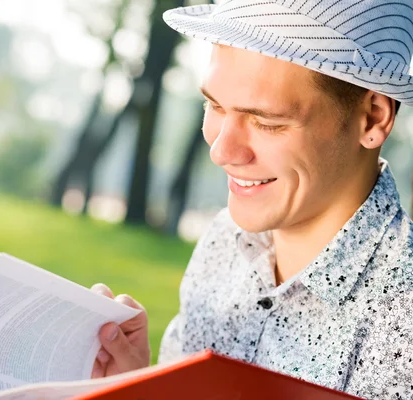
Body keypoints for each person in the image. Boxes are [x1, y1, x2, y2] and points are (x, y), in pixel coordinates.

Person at [90, 0, 413, 398]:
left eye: (267, 122)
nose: (222, 151)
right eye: (214, 105)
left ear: (373, 117)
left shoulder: (403, 314)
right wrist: (135, 387)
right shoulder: (224, 241)